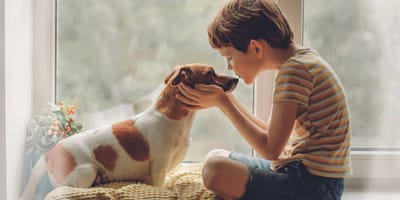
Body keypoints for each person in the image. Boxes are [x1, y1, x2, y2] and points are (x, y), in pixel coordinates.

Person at [176, 0, 352, 199]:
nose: (229, 67)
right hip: (309, 177)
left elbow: (270, 150)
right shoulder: (301, 61)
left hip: (313, 186)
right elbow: (272, 135)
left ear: (255, 48)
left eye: (230, 57)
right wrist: (226, 100)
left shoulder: (294, 72)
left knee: (214, 169)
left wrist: (224, 104)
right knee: (215, 157)